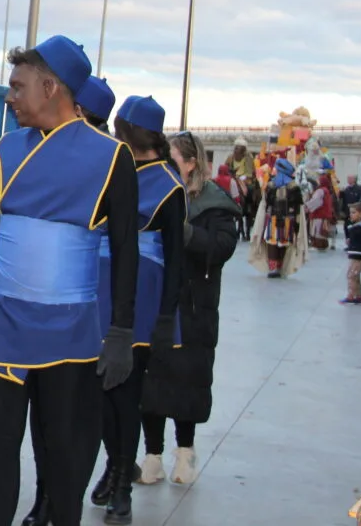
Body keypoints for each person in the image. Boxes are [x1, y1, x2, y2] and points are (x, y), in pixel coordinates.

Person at [0, 36, 139, 526]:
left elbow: (125, 251)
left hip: (71, 334)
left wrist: (121, 330)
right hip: (3, 327)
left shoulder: (111, 156)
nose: (10, 97)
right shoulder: (4, 149)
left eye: (18, 87)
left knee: (62, 453)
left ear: (51, 87)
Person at [16, 72, 117, 526]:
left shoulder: (108, 161)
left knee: (76, 423)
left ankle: (66, 499)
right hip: (43, 307)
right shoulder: (35, 151)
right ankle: (46, 497)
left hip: (90, 307)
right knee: (47, 420)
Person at [89, 96, 182, 524]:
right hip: (101, 289)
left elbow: (176, 259)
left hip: (140, 303)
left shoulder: (168, 184)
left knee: (125, 395)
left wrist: (166, 318)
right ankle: (113, 464)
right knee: (102, 396)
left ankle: (124, 481)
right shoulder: (115, 167)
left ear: (126, 129)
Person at [139, 131, 240, 488]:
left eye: (174, 160)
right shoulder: (157, 194)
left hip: (195, 307)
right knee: (151, 383)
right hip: (156, 301)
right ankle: (151, 457)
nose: (167, 167)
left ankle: (185, 451)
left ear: (192, 162)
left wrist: (185, 234)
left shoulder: (215, 203)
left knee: (187, 383)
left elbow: (224, 246)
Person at [250, 157, 305, 279]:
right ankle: (279, 267)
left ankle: (273, 268)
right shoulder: (294, 187)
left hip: (273, 219)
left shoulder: (271, 185)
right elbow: (298, 207)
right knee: (284, 243)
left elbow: (265, 204)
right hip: (288, 220)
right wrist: (297, 223)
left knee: (272, 243)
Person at [227, 137, 258, 236]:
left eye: (239, 148)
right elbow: (226, 168)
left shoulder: (248, 157)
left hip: (246, 179)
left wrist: (243, 178)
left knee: (249, 190)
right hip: (233, 178)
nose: (236, 150)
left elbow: (250, 172)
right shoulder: (230, 157)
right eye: (236, 148)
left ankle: (249, 207)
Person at [342, 202, 361, 305]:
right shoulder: (358, 227)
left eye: (354, 213)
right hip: (356, 255)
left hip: (358, 256)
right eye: (351, 213)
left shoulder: (360, 228)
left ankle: (351, 295)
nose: (351, 215)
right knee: (356, 276)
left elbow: (357, 237)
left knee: (351, 276)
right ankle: (359, 296)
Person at [305, 173, 336, 251]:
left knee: (318, 230)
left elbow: (316, 202)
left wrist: (306, 206)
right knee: (322, 230)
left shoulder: (320, 191)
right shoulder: (327, 190)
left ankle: (319, 245)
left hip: (319, 214)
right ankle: (323, 245)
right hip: (325, 214)